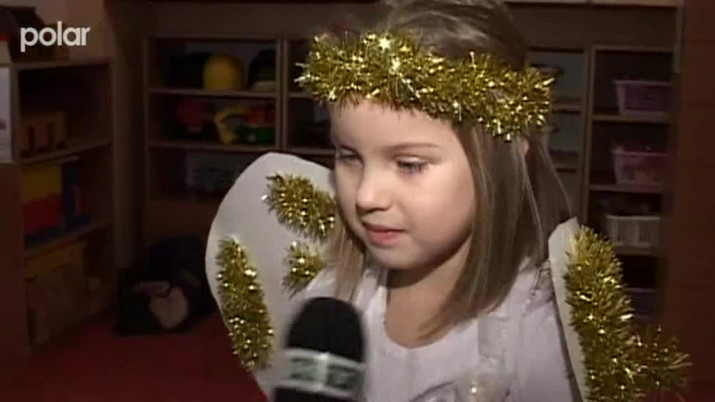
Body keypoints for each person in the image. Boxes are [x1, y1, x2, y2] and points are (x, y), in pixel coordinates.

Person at [286, 0, 578, 400]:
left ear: (502, 157)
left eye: (409, 165)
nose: (367, 196)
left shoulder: (539, 336)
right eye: (349, 156)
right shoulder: (334, 299)